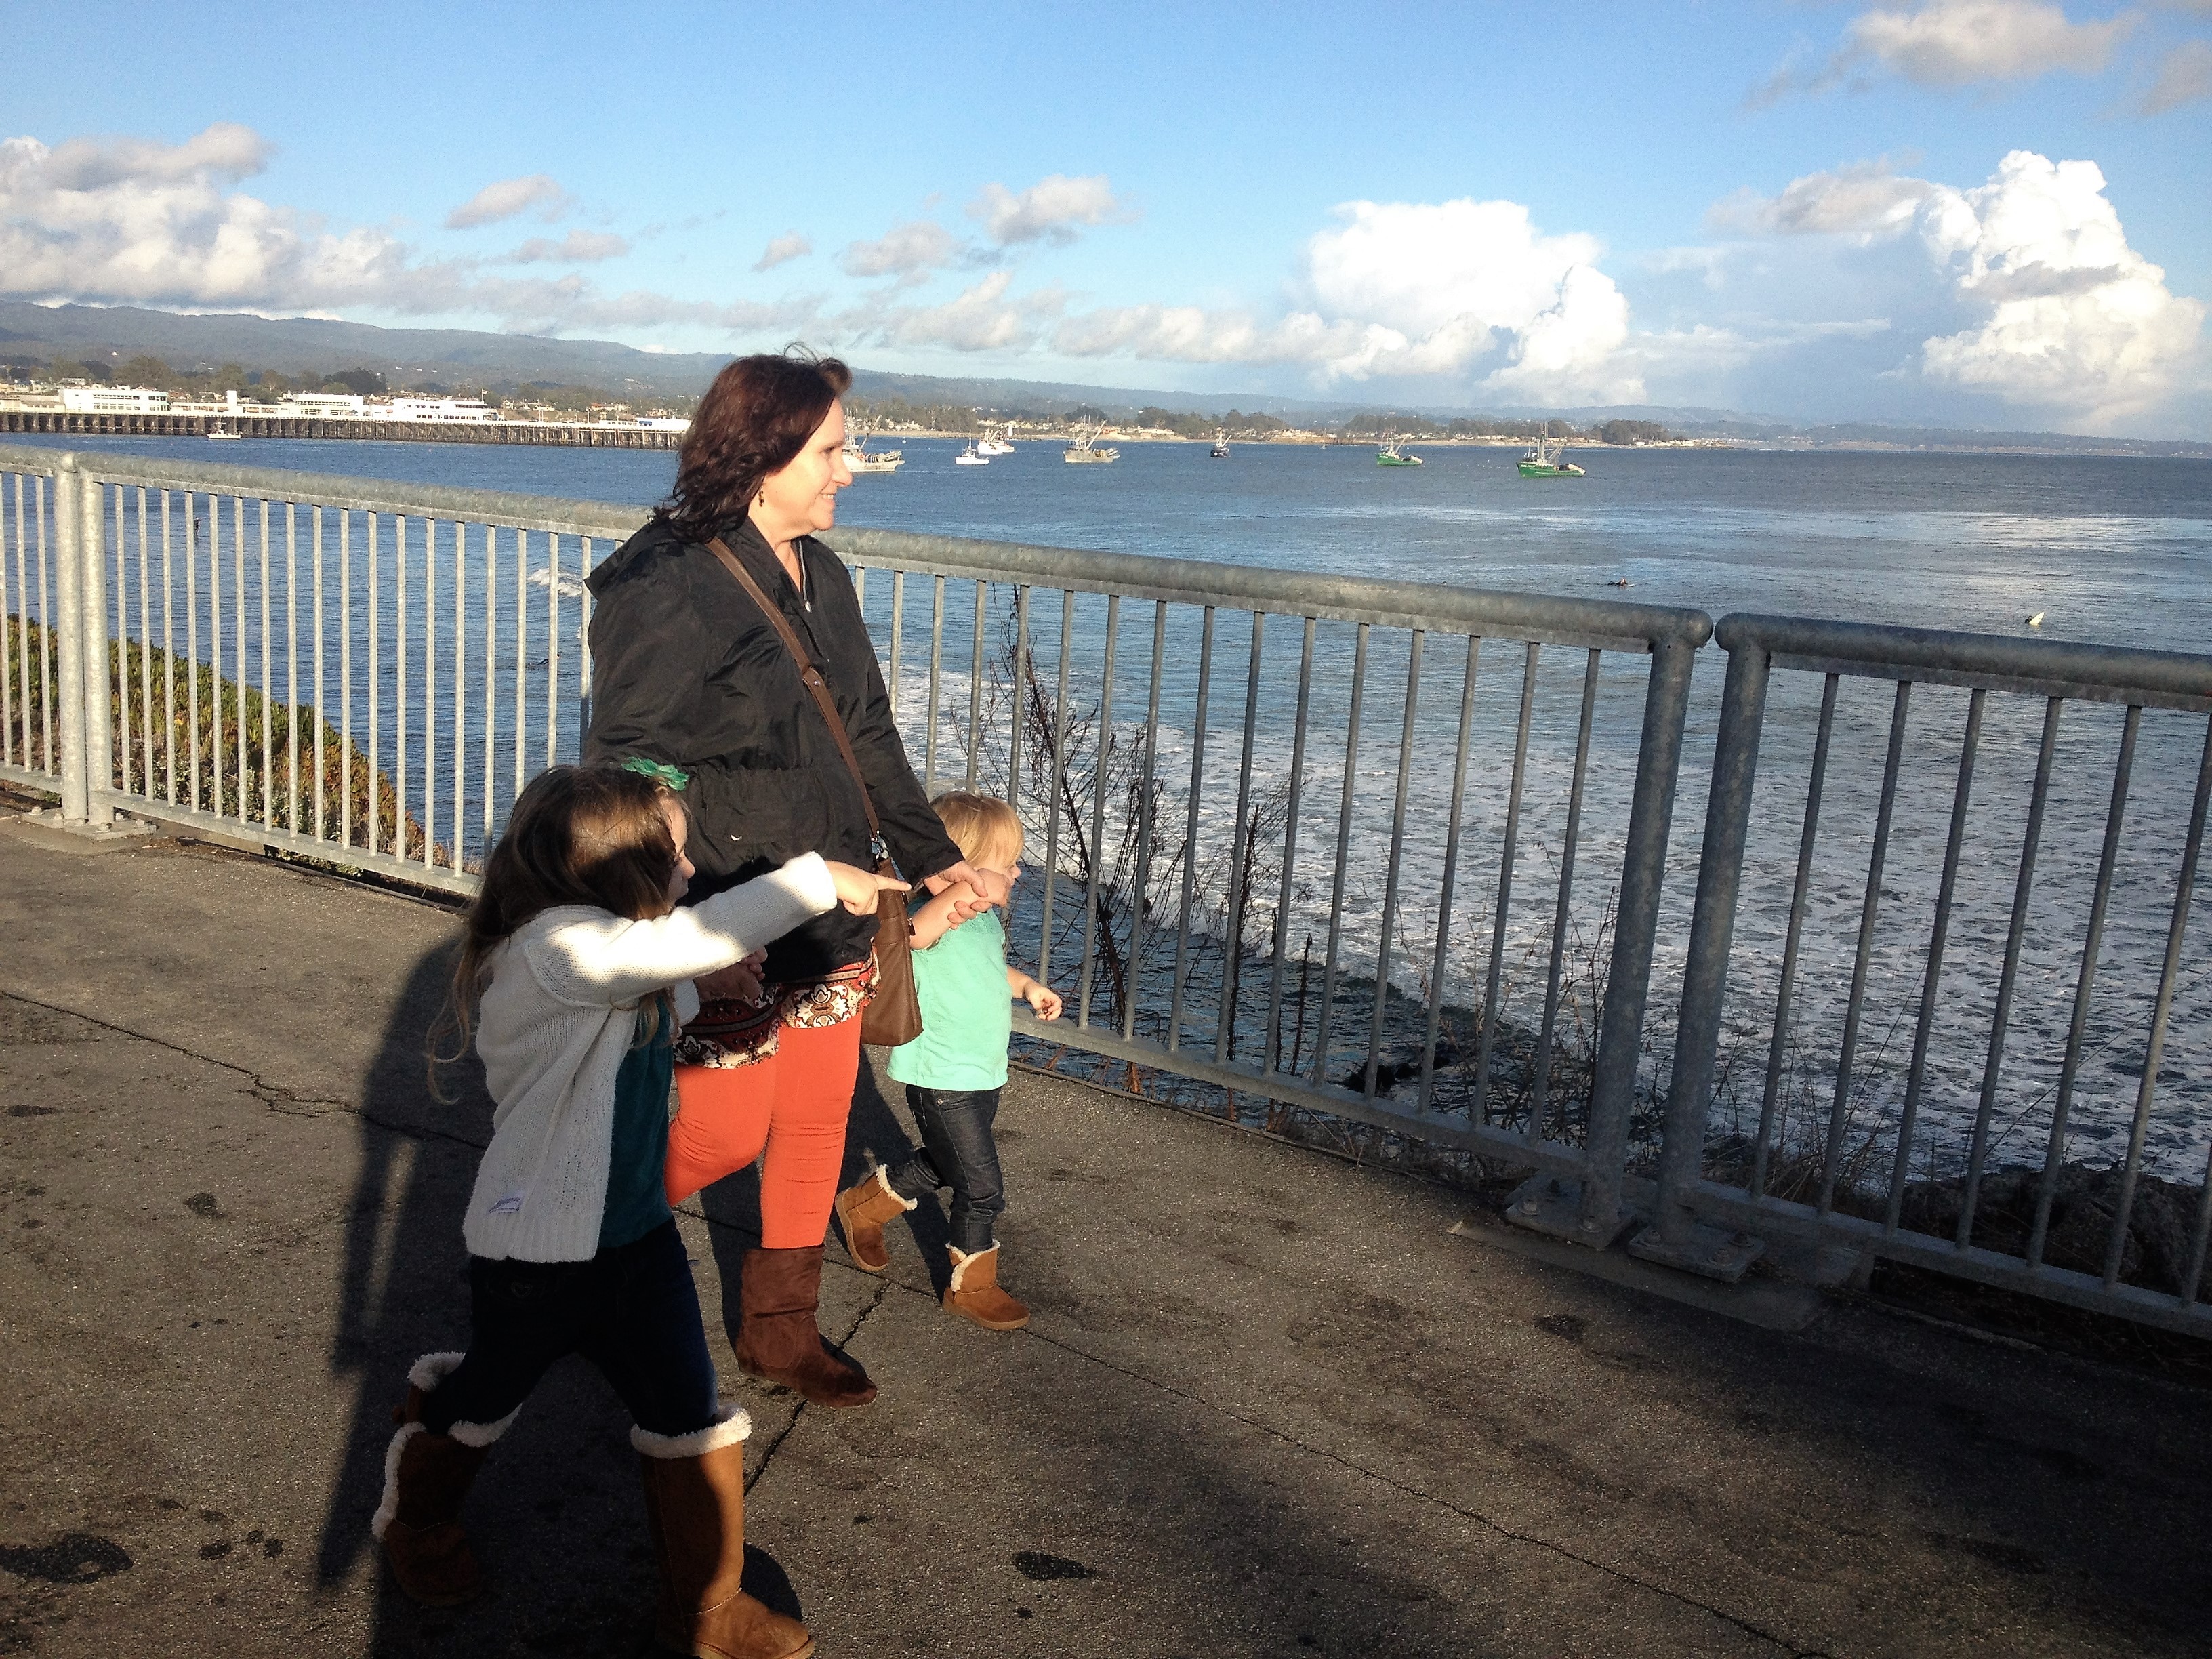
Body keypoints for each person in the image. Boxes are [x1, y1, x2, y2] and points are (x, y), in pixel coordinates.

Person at [373, 762, 899, 1659]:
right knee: (487, 1398)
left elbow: (652, 990)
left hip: (637, 1240)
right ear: (606, 871)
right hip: (536, 1253)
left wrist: (714, 983)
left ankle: (710, 1608)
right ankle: (416, 1516)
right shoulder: (556, 949)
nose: (691, 878)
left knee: (689, 1411)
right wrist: (816, 880)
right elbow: (648, 962)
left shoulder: (606, 958)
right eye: (675, 861)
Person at [583, 348, 990, 1410]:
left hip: (832, 899)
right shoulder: (664, 581)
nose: (850, 469)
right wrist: (679, 917)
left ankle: (780, 1328)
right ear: (763, 462)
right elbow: (626, 764)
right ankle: (564, 1246)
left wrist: (936, 858)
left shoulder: (826, 571)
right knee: (721, 1129)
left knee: (813, 1125)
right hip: (727, 905)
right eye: (834, 450)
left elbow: (870, 739)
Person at [833, 792, 1062, 1329]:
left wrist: (1025, 986)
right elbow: (913, 939)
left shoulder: (981, 923)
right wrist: (955, 891)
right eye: (1006, 864)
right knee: (981, 1187)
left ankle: (863, 1206)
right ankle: (971, 1286)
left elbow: (986, 972)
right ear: (963, 871)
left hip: (983, 1068)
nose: (1018, 871)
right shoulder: (930, 916)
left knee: (946, 1161)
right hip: (942, 1074)